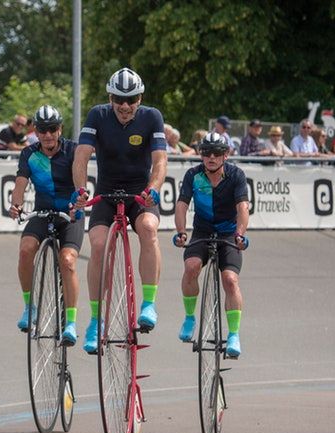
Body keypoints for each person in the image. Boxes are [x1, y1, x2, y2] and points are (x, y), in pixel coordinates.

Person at [72, 67, 167, 353]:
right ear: (110, 97)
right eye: (118, 99)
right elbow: (81, 157)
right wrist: (80, 188)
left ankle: (148, 303)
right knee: (98, 245)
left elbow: (160, 161)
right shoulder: (97, 115)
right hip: (106, 192)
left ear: (140, 98)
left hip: (140, 193)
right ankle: (95, 320)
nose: (125, 106)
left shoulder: (152, 117)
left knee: (149, 228)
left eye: (132, 99)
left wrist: (153, 188)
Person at [8, 105, 83, 344]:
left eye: (52, 129)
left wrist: (78, 203)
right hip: (42, 212)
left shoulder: (73, 150)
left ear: (60, 129)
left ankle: (71, 321)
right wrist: (17, 205)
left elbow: (81, 180)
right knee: (25, 250)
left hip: (69, 213)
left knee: (68, 261)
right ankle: (30, 307)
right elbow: (20, 182)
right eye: (42, 130)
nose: (48, 135)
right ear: (35, 131)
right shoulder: (29, 153)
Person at [173, 132, 249, 357]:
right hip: (202, 231)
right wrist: (181, 232)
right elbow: (181, 205)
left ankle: (233, 334)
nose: (211, 157)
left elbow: (243, 207)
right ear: (201, 155)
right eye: (206, 153)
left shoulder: (236, 175)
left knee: (230, 280)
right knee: (191, 267)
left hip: (228, 233)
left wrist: (240, 234)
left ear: (226, 155)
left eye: (217, 153)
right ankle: (189, 318)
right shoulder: (193, 175)